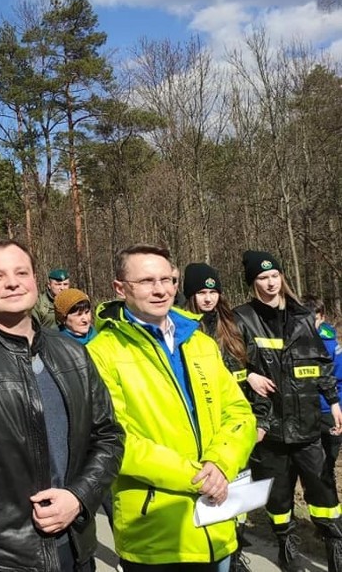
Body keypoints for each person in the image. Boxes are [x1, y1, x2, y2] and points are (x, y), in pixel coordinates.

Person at [0, 240, 124, 571]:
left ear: (36, 280)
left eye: (22, 272)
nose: (12, 282)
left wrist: (79, 497)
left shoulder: (72, 353)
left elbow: (108, 435)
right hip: (10, 557)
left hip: (76, 546)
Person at [87, 244, 256, 570]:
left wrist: (221, 463)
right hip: (157, 533)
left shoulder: (201, 342)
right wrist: (198, 477)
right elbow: (115, 439)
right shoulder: (101, 353)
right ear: (120, 288)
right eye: (147, 281)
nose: (161, 289)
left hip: (218, 523)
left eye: (168, 279)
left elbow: (239, 412)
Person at [233, 251, 342, 572]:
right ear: (253, 283)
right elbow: (224, 365)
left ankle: (334, 543)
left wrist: (333, 402)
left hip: (307, 420)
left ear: (282, 278)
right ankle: (286, 543)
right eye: (262, 278)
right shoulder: (242, 318)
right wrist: (247, 374)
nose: (270, 283)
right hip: (270, 424)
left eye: (274, 276)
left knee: (322, 487)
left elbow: (320, 363)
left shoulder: (303, 316)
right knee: (279, 494)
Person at [183, 262, 269, 571]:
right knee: (207, 492)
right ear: (190, 295)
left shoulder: (234, 326)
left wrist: (262, 421)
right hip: (201, 428)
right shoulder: (182, 328)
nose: (208, 299)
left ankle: (234, 552)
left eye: (213, 292)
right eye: (202, 293)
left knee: (238, 494)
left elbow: (260, 375)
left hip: (236, 426)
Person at [303, 294, 342, 492]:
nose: (311, 323)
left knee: (328, 461)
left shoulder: (330, 343)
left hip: (328, 411)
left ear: (322, 317)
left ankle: (330, 509)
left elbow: (339, 378)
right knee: (307, 463)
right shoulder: (293, 340)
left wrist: (338, 407)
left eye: (315, 318)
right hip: (303, 411)